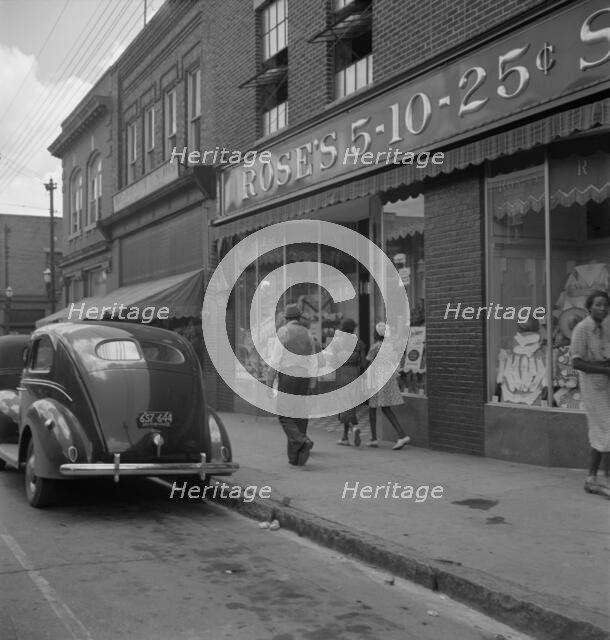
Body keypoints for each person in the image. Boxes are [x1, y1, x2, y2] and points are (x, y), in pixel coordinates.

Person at [570, 290, 610, 497]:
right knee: (607, 429)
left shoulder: (606, 327)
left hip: (607, 385)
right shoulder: (582, 329)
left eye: (605, 305)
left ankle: (592, 478)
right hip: (593, 387)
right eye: (598, 305)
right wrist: (604, 369)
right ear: (589, 306)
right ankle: (605, 478)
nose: (602, 309)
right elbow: (576, 361)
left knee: (601, 432)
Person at [266, 303, 316, 466]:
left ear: (286, 318)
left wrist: (269, 383)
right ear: (299, 317)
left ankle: (302, 440)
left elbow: (275, 359)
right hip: (304, 376)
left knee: (284, 415)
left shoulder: (284, 331)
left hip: (288, 377)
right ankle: (295, 458)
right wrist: (313, 383)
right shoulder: (308, 333)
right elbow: (313, 360)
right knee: (299, 416)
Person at [366, 322, 410, 450]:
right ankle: (376, 438)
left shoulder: (375, 347)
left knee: (374, 407)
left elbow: (367, 362)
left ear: (377, 334)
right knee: (383, 407)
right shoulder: (390, 346)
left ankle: (400, 435)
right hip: (388, 377)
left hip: (376, 379)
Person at [327, 318, 367, 446]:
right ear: (353, 329)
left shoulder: (336, 344)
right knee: (350, 405)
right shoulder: (359, 343)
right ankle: (345, 436)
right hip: (354, 374)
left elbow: (332, 362)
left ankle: (353, 427)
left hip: (341, 374)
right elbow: (363, 363)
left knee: (343, 404)